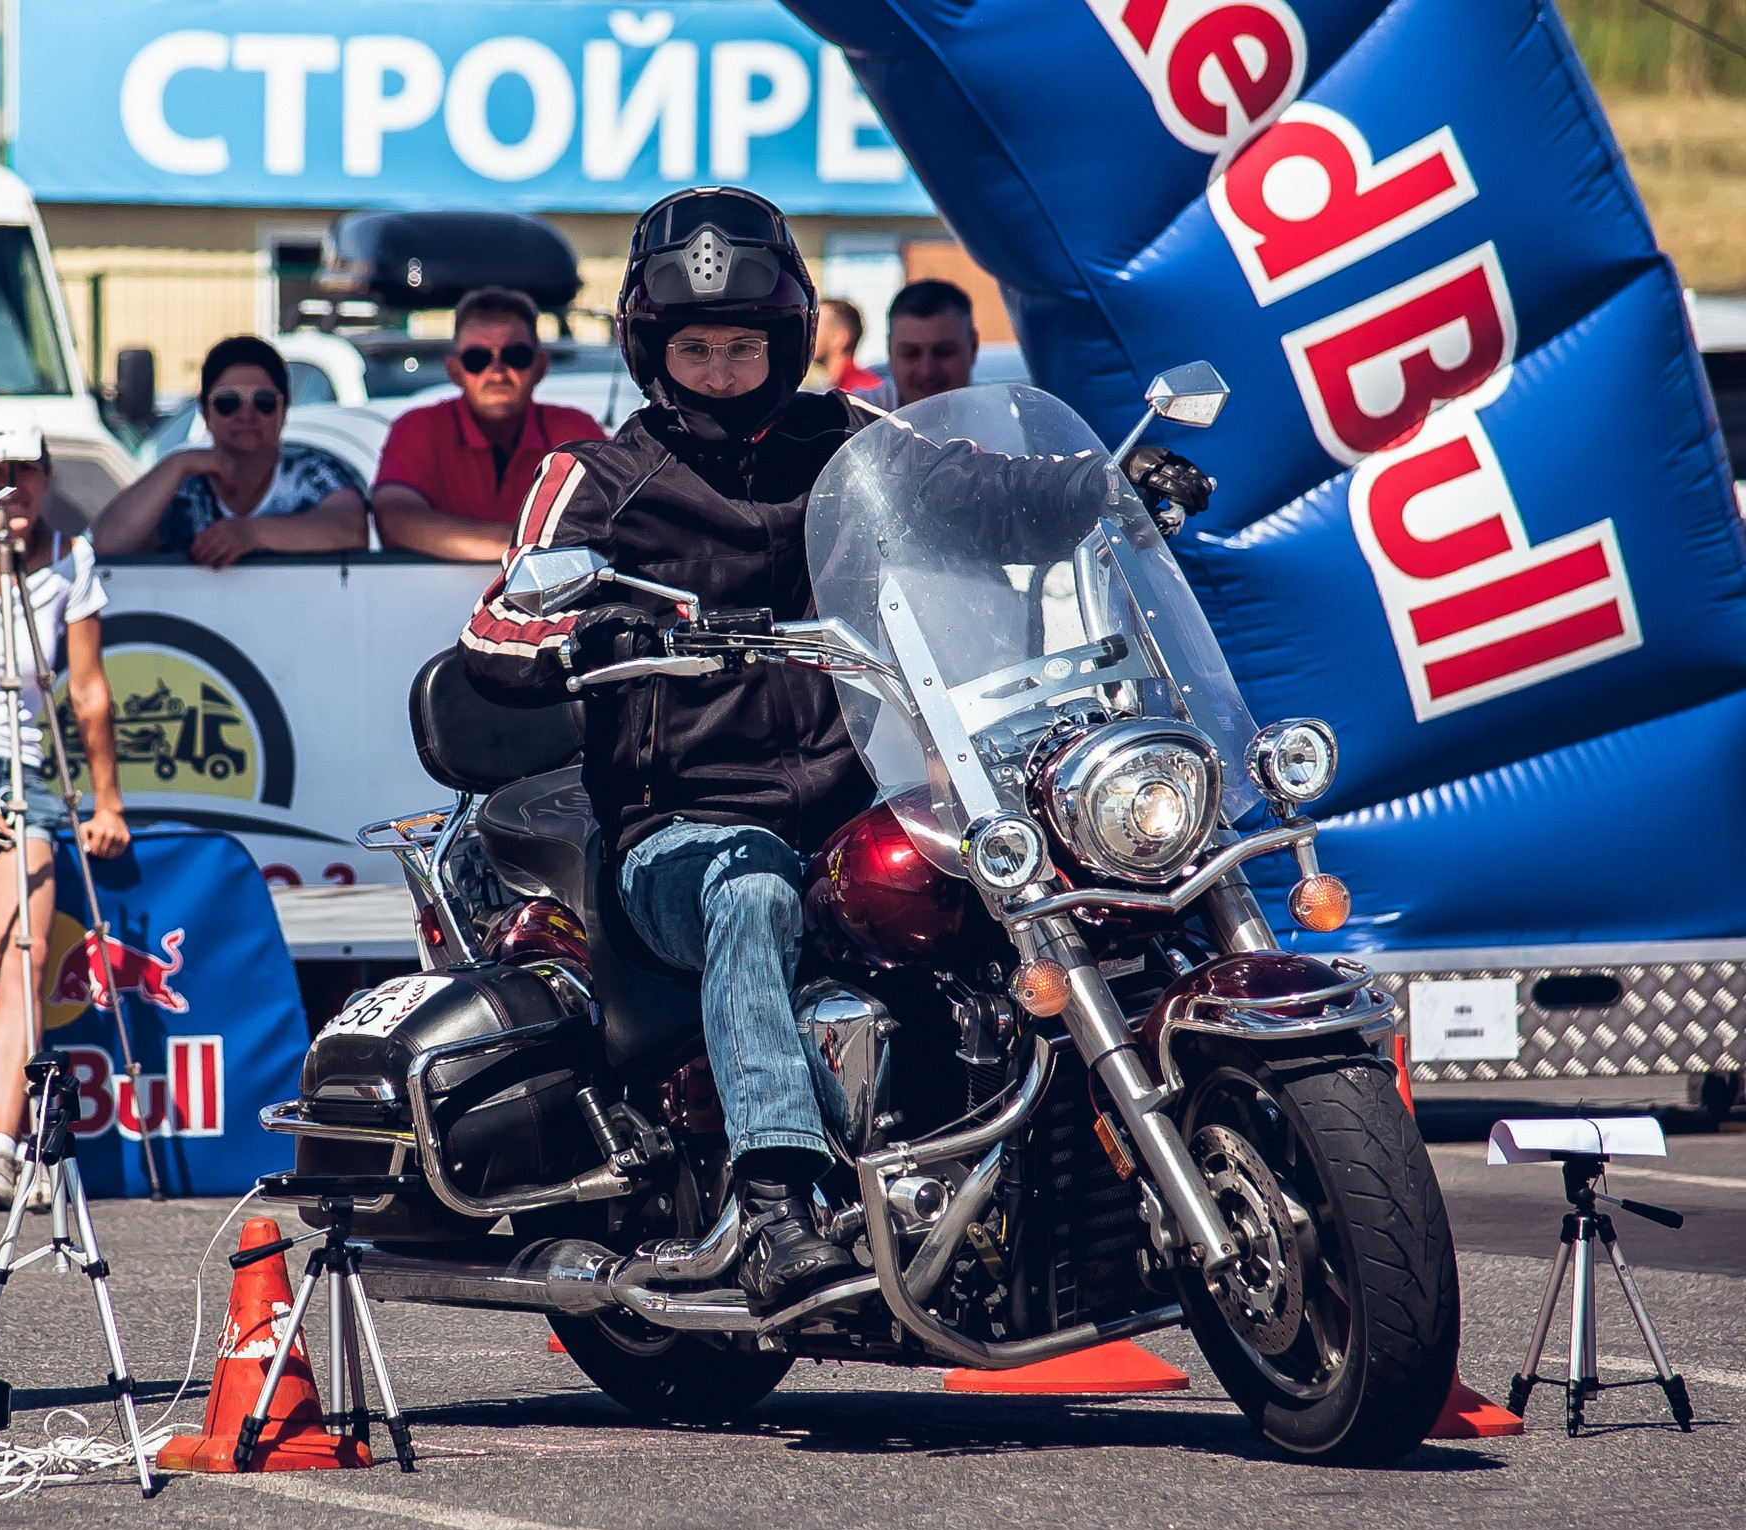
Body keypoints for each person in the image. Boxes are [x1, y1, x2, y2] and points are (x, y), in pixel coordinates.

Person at [457, 187, 1211, 1312]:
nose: (721, 369)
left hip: (858, 803)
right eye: (698, 347)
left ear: (789, 339)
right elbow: (495, 629)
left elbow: (982, 494)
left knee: (1028, 862)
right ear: (652, 346)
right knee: (750, 887)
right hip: (683, 830)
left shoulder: (851, 442)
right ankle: (775, 1195)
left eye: (744, 345)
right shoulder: (598, 478)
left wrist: (1096, 487)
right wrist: (590, 629)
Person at [0, 404, 129, 1207]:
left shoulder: (72, 561)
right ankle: (7, 1145)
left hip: (31, 772)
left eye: (27, 473)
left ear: (47, 473)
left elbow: (87, 691)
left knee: (19, 959)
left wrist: (107, 799)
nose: (11, 491)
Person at [370, 288, 606, 562]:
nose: (496, 373)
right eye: (477, 359)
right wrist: (536, 547)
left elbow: (613, 523)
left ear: (540, 367)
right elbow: (396, 521)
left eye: (515, 356)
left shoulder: (575, 431)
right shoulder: (417, 428)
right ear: (454, 371)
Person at [90, 336, 367, 567]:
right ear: (204, 411)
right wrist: (179, 462)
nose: (246, 414)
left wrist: (250, 533)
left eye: (264, 401)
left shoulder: (314, 472)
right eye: (227, 402)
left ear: (283, 410)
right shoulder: (182, 488)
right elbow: (106, 543)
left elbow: (351, 529)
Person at [881, 278, 979, 410]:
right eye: (911, 354)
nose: (927, 371)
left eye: (943, 352)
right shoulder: (855, 418)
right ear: (889, 352)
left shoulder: (1004, 418)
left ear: (973, 348)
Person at [809, 297, 886, 403]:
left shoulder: (865, 393)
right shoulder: (836, 388)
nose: (807, 335)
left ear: (840, 338)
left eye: (814, 328)